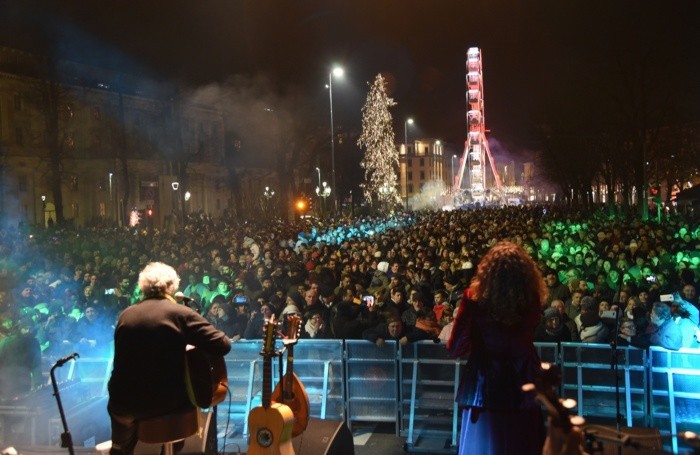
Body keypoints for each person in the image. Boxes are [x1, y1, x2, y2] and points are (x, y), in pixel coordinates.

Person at [107, 262, 231, 455]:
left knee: (121, 448)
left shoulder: (126, 315)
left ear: (143, 287)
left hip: (122, 401)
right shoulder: (179, 314)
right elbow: (222, 344)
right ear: (172, 286)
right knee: (175, 435)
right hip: (165, 403)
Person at [447, 241, 546, 454]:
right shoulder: (532, 299)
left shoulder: (473, 299)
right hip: (524, 383)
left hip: (484, 386)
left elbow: (456, 346)